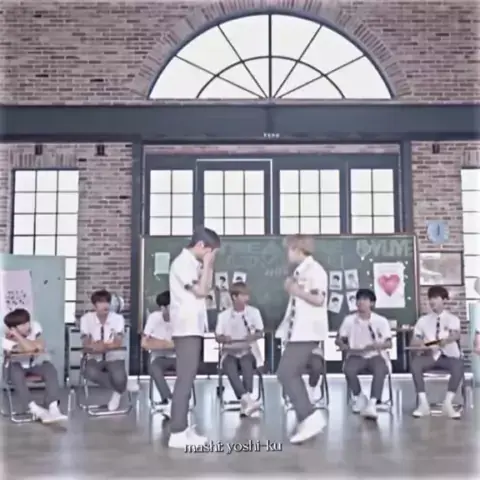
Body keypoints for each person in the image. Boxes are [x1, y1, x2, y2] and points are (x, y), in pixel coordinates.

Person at [168, 227, 220, 449]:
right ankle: (177, 432)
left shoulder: (193, 264)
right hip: (186, 327)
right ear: (200, 245)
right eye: (210, 251)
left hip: (194, 326)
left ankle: (182, 428)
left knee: (188, 378)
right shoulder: (182, 263)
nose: (211, 256)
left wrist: (208, 266)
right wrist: (208, 265)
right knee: (185, 379)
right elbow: (201, 292)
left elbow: (205, 288)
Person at [275, 234, 328, 444]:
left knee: (286, 372)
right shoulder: (300, 271)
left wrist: (296, 290)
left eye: (289, 249)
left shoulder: (315, 271)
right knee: (290, 373)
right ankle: (307, 417)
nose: (287, 254)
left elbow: (319, 298)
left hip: (307, 331)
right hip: (297, 331)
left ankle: (309, 417)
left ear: (297, 249)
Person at [1, 308, 67, 423]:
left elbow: (39, 346)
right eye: (22, 325)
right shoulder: (6, 339)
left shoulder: (35, 326)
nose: (27, 326)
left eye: (27, 322)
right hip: (14, 367)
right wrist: (19, 337)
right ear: (13, 328)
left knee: (49, 368)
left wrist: (28, 345)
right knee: (16, 372)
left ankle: (53, 406)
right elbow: (30, 349)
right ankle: (34, 408)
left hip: (34, 364)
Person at [336, 289, 391, 420]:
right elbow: (339, 339)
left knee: (380, 369)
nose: (361, 302)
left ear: (372, 303)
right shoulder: (349, 320)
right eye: (359, 299)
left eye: (365, 299)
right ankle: (359, 396)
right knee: (348, 369)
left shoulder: (381, 320)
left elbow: (389, 343)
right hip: (356, 355)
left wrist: (377, 345)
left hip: (375, 354)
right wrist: (342, 345)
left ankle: (372, 403)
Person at [409, 286, 463, 419]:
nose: (432, 301)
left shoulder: (453, 319)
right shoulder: (423, 321)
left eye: (435, 298)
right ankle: (423, 404)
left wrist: (447, 340)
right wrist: (420, 345)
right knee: (415, 364)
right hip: (430, 356)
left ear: (444, 300)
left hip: (448, 356)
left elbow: (455, 335)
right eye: (430, 298)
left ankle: (448, 404)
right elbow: (414, 341)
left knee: (458, 366)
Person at [80, 289, 137, 412]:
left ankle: (118, 390)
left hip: (114, 354)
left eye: (107, 302)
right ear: (94, 305)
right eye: (101, 302)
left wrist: (103, 346)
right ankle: (122, 387)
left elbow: (118, 342)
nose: (105, 305)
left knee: (118, 377)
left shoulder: (118, 318)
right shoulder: (86, 319)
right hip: (94, 355)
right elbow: (85, 341)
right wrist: (94, 346)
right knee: (90, 372)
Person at [215, 281, 264, 417]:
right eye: (243, 295)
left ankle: (245, 402)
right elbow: (218, 337)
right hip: (229, 351)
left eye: (247, 295)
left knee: (246, 363)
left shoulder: (254, 312)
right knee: (229, 365)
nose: (247, 298)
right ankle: (247, 400)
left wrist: (252, 336)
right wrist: (224, 339)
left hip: (248, 350)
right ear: (234, 297)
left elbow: (260, 332)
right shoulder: (223, 316)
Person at [141, 290, 175, 418]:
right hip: (158, 357)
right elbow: (144, 343)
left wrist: (156, 341)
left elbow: (182, 344)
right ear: (163, 308)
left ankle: (178, 400)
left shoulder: (181, 319)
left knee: (187, 368)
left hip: (178, 357)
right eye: (172, 306)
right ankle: (170, 400)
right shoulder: (154, 318)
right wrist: (168, 344)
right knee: (154, 368)